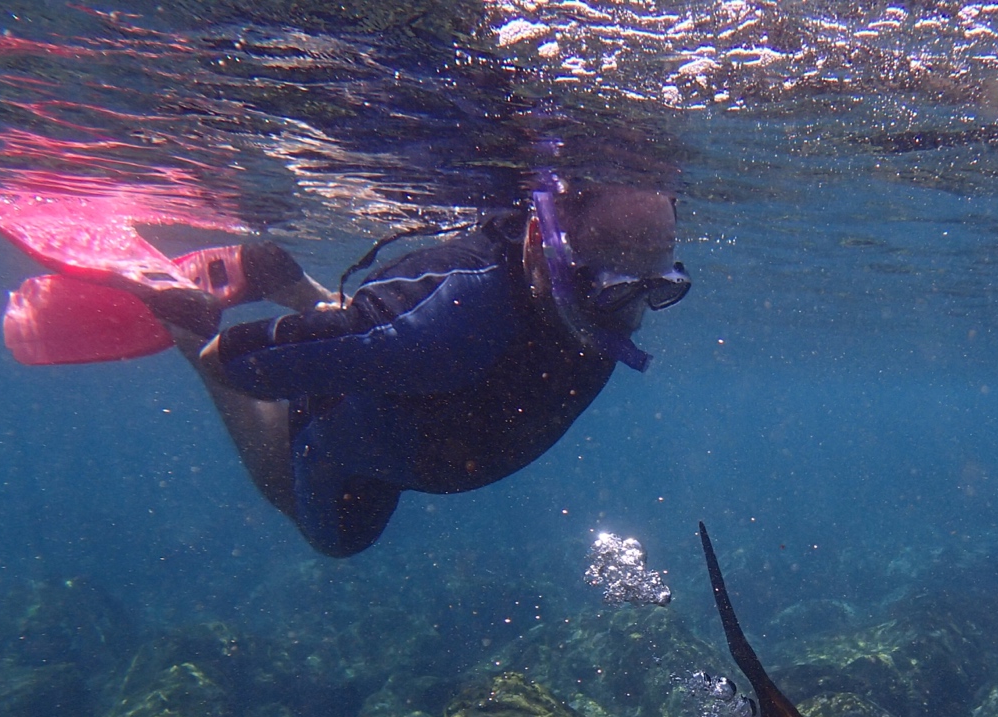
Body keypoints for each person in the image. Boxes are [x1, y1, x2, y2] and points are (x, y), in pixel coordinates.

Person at [148, 183, 689, 556]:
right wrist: (216, 347)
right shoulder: (444, 323)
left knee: (364, 345)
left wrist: (353, 337)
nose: (632, 315)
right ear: (536, 242)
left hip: (404, 428)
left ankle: (294, 290)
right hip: (345, 433)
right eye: (608, 288)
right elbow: (232, 363)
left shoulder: (583, 305)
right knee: (335, 537)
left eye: (659, 287)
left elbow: (385, 338)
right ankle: (186, 320)